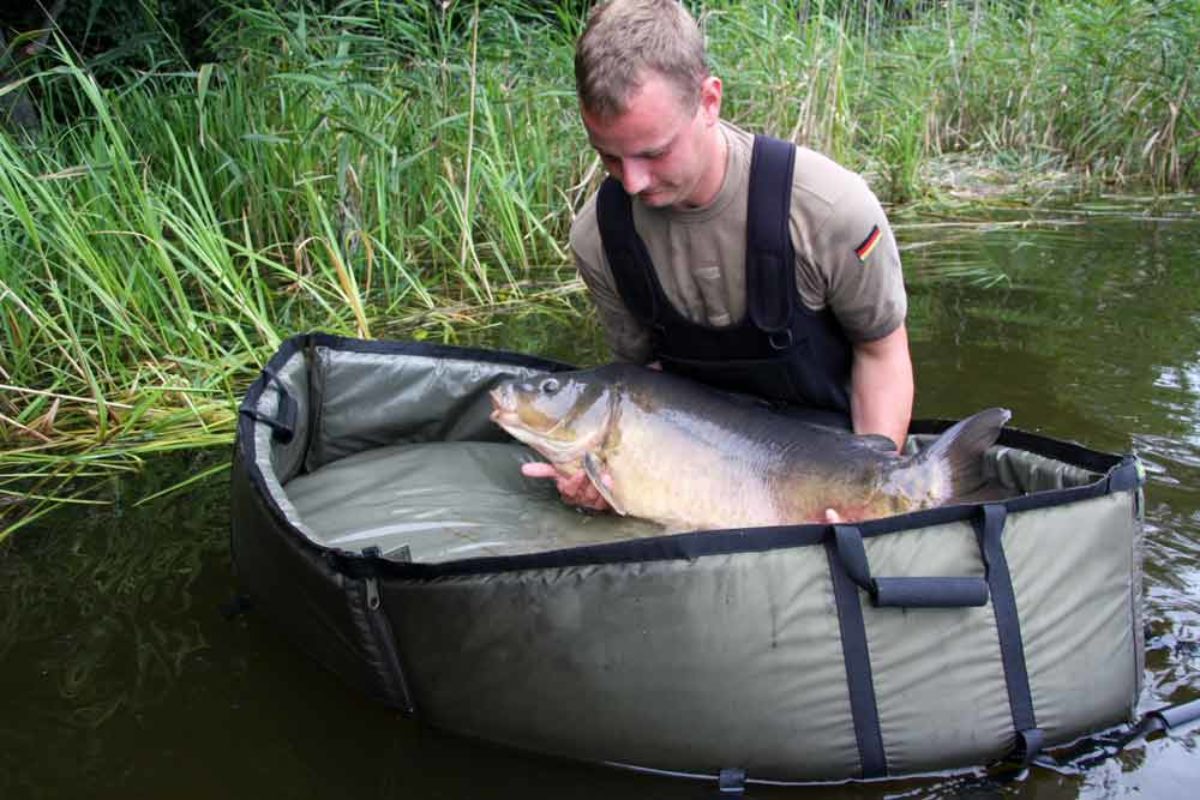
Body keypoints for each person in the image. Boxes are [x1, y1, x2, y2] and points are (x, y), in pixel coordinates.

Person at [523, 0, 913, 515]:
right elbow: (644, 388)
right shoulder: (599, 236)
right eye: (609, 156)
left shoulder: (829, 209)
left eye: (654, 152)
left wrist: (867, 490)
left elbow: (883, 356)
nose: (632, 181)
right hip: (707, 466)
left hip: (829, 449)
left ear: (709, 101)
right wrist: (605, 477)